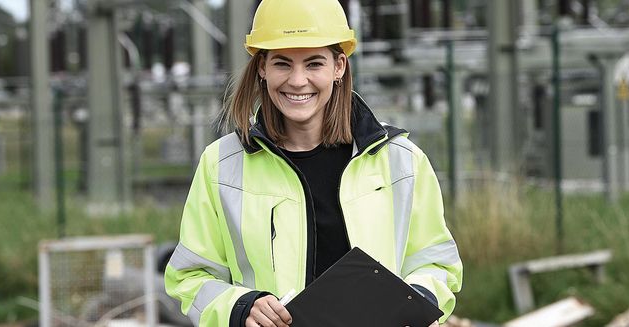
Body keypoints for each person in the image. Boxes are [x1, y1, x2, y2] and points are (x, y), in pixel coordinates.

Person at [164, 0, 462, 326]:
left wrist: (413, 306)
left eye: (313, 63)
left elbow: (435, 262)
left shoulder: (401, 162)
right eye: (282, 63)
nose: (297, 80)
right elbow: (190, 276)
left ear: (339, 67)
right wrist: (241, 307)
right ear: (261, 67)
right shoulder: (221, 166)